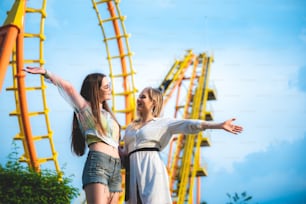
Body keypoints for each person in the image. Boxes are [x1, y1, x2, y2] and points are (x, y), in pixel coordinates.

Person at [120, 87, 243, 204]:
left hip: (151, 167)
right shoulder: (131, 127)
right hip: (133, 171)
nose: (138, 99)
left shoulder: (163, 123)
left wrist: (219, 125)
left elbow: (189, 124)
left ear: (153, 102)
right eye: (139, 96)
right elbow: (125, 152)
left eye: (143, 97)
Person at [23, 67, 122, 204]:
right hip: (99, 163)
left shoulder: (109, 115)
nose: (110, 89)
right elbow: (68, 88)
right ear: (95, 90)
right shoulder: (86, 110)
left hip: (116, 167)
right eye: (106, 86)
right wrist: (46, 72)